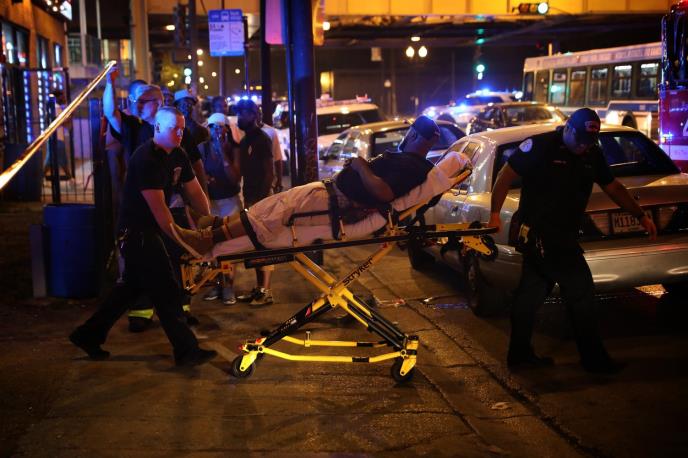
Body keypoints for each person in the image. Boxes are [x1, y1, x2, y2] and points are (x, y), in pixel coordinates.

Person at [488, 108, 657, 374]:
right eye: (579, 140)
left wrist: (640, 215)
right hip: (542, 234)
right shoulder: (541, 146)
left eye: (588, 142)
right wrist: (495, 214)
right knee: (581, 294)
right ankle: (594, 361)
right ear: (567, 128)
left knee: (530, 295)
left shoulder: (592, 153)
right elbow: (505, 175)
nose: (582, 147)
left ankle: (519, 356)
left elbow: (613, 187)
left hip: (562, 235)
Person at [171, 115, 441, 258]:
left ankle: (207, 239)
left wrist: (361, 166)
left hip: (338, 203)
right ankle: (214, 224)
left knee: (272, 216)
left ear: (414, 135)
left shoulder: (412, 165)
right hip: (331, 193)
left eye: (409, 132)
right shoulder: (408, 161)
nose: (406, 135)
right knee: (269, 206)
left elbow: (384, 192)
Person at [69, 107, 217, 367]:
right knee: (166, 289)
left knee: (129, 290)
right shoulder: (146, 159)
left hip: (149, 232)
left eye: (182, 129)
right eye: (174, 128)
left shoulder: (178, 154)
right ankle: (187, 351)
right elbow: (160, 212)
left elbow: (195, 192)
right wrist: (188, 240)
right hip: (136, 233)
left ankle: (87, 335)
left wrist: (210, 221)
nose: (180, 133)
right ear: (158, 128)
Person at [101, 64, 207, 331]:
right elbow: (110, 112)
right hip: (145, 213)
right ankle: (143, 312)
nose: (135, 106)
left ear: (158, 104)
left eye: (142, 101)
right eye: (135, 101)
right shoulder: (135, 131)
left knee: (177, 260)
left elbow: (194, 174)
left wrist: (205, 214)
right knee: (144, 266)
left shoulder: (178, 134)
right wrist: (109, 83)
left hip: (174, 206)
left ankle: (180, 311)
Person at [230, 99, 276, 306]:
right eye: (238, 113)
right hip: (250, 196)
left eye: (243, 113)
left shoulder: (262, 139)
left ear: (254, 115)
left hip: (260, 198)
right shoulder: (245, 140)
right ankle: (259, 288)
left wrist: (262, 200)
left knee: (263, 244)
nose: (239, 117)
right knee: (256, 244)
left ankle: (266, 291)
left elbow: (269, 172)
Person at [198, 113, 242, 305]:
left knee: (230, 245)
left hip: (230, 201)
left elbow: (235, 178)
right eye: (212, 127)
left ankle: (229, 286)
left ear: (227, 129)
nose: (216, 130)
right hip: (212, 203)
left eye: (220, 126)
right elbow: (197, 174)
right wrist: (206, 179)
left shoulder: (234, 148)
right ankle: (218, 283)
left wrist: (223, 153)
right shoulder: (202, 148)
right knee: (214, 245)